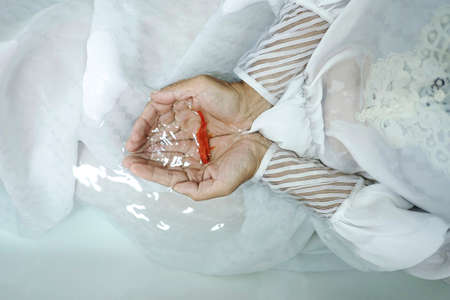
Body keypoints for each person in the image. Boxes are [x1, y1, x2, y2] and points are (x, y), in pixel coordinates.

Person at [124, 0, 450, 280]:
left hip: (288, 131)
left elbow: (426, 248)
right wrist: (257, 90)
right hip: (294, 50)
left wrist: (269, 160)